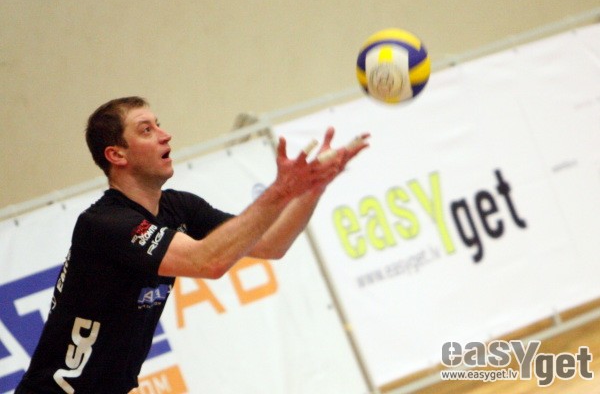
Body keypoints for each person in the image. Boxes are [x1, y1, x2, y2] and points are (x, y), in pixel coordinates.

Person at [16, 96, 369, 393]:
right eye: (146, 130)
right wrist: (281, 190)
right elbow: (207, 262)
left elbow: (271, 245)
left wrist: (312, 188)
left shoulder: (180, 207)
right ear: (117, 155)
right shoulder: (104, 224)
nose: (165, 134)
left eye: (159, 124)